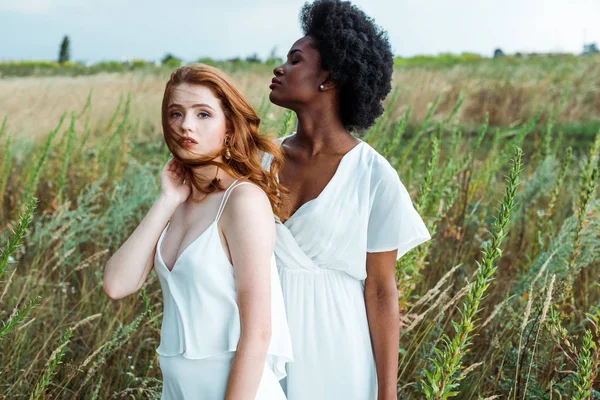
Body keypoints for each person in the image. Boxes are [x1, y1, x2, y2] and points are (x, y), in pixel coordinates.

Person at [262, 1, 431, 399]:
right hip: (262, 342)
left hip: (338, 349)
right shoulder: (259, 161)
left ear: (329, 78)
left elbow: (381, 291)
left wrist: (386, 393)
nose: (280, 68)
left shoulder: (373, 176)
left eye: (295, 59)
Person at [103, 64, 293, 400]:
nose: (185, 126)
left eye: (203, 114)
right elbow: (117, 285)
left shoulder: (242, 200)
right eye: (176, 113)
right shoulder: (178, 202)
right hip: (177, 390)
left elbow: (259, 332)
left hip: (236, 390)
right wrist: (166, 200)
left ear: (229, 128)